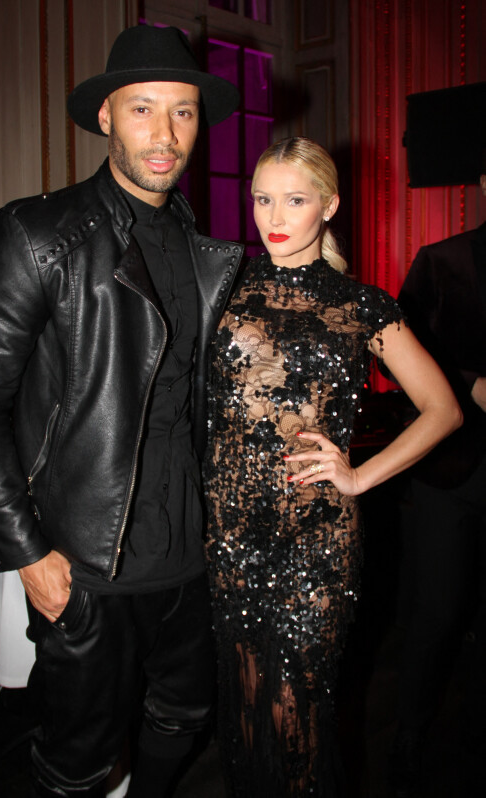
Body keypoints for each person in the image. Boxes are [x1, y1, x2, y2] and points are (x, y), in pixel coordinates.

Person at [0, 24, 243, 798]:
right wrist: (27, 554)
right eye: (143, 109)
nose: (165, 133)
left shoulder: (200, 245)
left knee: (184, 713)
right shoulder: (35, 234)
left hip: (189, 552)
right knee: (77, 757)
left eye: (182, 112)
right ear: (106, 117)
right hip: (87, 559)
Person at [203, 137, 462, 797]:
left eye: (294, 198)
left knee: (298, 715)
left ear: (330, 205)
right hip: (230, 538)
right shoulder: (222, 289)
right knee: (245, 713)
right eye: (262, 198)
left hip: (315, 539)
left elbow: (442, 408)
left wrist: (359, 476)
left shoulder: (361, 305)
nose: (273, 215)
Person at [388, 172, 486, 796]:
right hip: (452, 469)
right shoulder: (441, 259)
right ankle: (405, 754)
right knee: (434, 618)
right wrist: (471, 384)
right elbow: (395, 353)